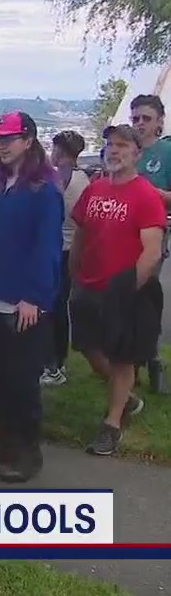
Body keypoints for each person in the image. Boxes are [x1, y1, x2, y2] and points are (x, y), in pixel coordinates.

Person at [0, 113, 62, 482]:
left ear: (28, 140)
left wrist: (34, 297)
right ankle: (4, 440)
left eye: (9, 139)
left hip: (24, 303)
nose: (1, 146)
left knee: (22, 382)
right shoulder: (1, 185)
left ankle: (27, 450)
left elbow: (47, 248)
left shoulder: (43, 190)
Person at [69, 124, 164, 457]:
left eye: (123, 145)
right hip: (88, 285)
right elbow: (81, 233)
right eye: (110, 144)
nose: (114, 150)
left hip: (125, 290)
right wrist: (74, 273)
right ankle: (127, 397)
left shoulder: (146, 195)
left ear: (137, 153)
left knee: (123, 359)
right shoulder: (94, 190)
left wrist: (128, 290)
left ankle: (112, 423)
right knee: (88, 348)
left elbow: (152, 250)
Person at [128, 94, 170, 394]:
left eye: (146, 118)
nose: (140, 124)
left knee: (145, 301)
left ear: (159, 122)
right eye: (136, 119)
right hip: (121, 235)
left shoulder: (166, 151)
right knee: (122, 300)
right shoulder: (127, 151)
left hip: (152, 238)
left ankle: (152, 360)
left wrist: (149, 192)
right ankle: (129, 363)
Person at [43, 130, 90, 387]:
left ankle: (53, 365)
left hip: (60, 248)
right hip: (74, 249)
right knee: (60, 307)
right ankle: (57, 360)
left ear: (60, 151)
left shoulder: (61, 177)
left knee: (52, 308)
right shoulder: (84, 177)